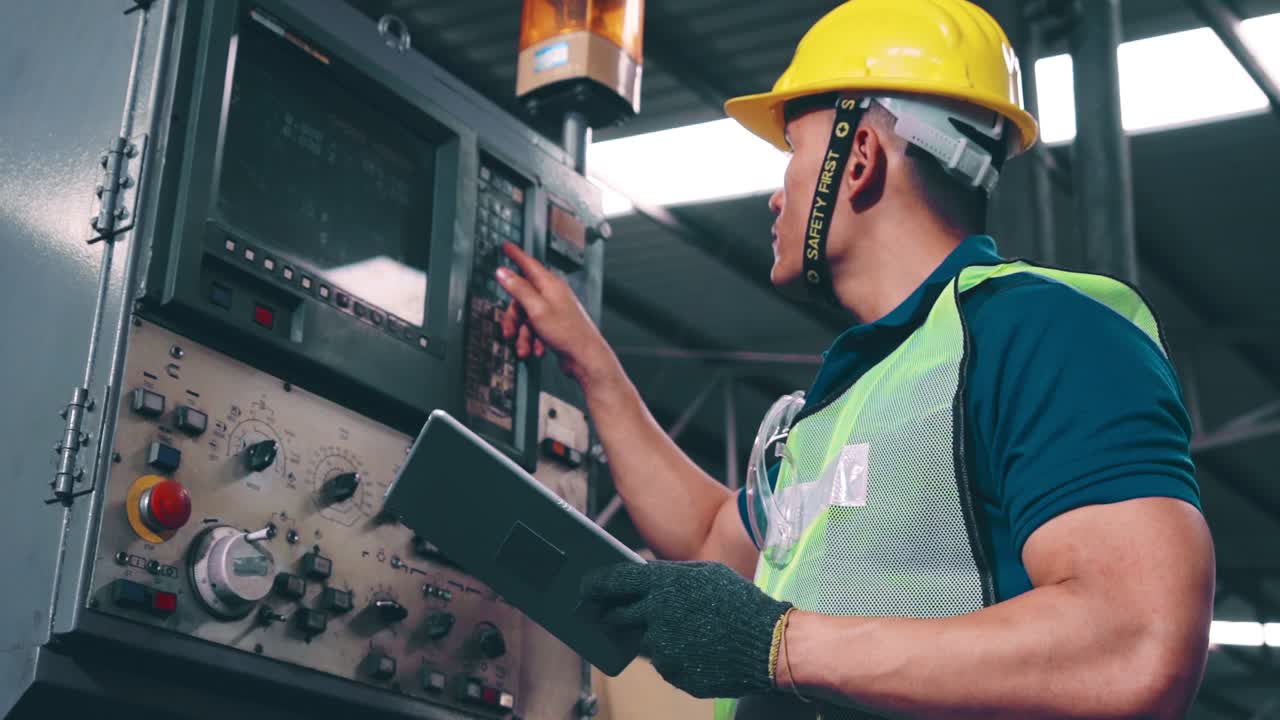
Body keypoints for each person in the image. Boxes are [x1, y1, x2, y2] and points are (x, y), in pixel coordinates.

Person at [495, 0, 1215, 717]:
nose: (776, 198)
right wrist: (590, 362)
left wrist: (778, 646)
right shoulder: (838, 404)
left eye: (793, 157)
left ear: (861, 157)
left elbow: (1133, 639)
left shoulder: (1041, 331)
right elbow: (713, 539)